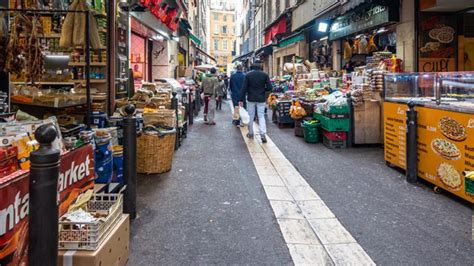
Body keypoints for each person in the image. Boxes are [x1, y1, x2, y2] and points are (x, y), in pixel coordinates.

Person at [239, 62, 273, 143]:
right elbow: (269, 87)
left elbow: (244, 88)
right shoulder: (265, 75)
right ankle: (263, 134)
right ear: (260, 67)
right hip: (261, 98)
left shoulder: (248, 75)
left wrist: (241, 99)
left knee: (250, 116)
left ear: (252, 67)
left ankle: (250, 133)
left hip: (251, 98)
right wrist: (262, 90)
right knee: (261, 116)